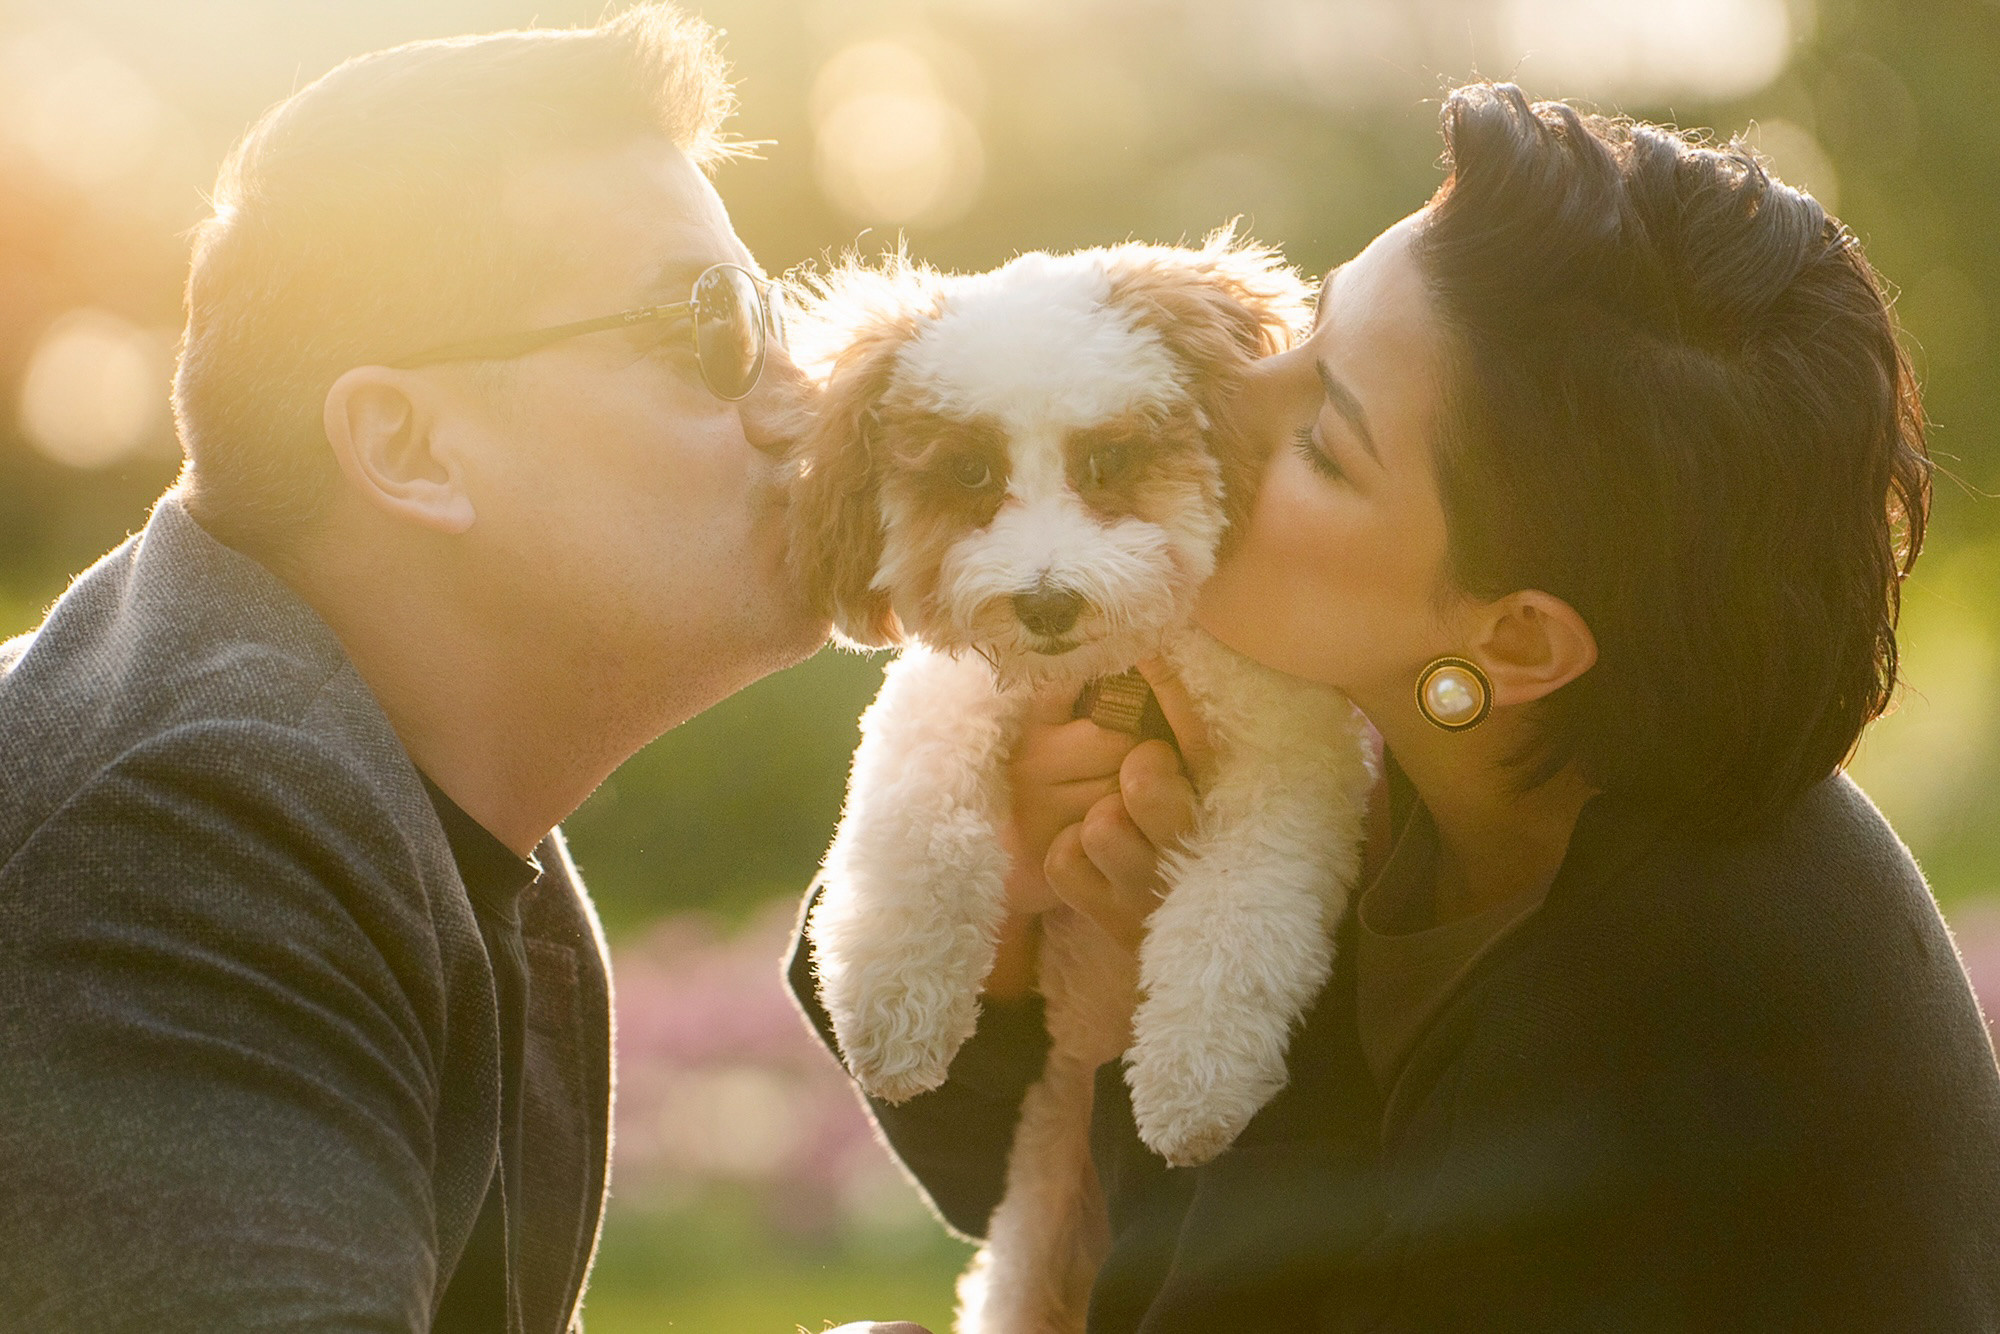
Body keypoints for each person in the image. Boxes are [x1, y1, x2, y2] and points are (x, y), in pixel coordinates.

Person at [789, 84, 2000, 1329]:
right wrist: (1008, 918)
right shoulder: (1420, 758)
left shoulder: (1687, 1008)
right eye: (1310, 326)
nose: (1232, 396)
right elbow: (1013, 1181)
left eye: (1325, 438)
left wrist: (1196, 1029)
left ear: (1515, 636)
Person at [0, 5, 828, 1330]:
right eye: (709, 324)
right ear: (410, 445)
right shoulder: (187, 829)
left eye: (778, 313)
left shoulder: (443, 822)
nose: (804, 397)